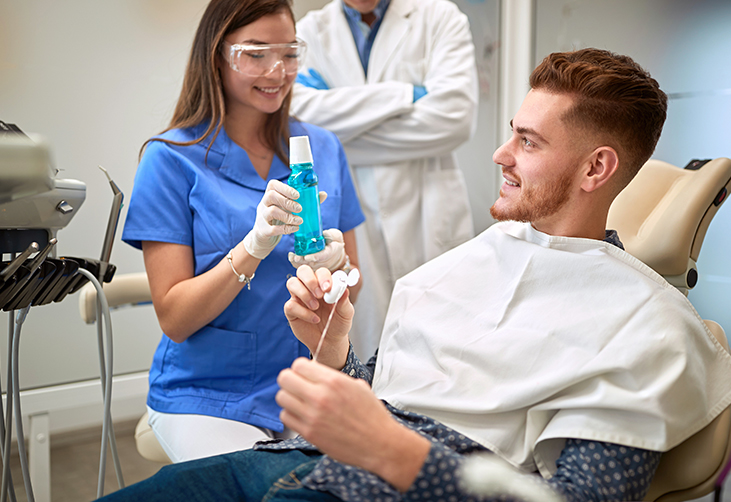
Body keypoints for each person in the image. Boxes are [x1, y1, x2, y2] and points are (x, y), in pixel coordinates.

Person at [99, 48, 731, 502]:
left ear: (596, 169)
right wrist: (334, 345)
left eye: (529, 143)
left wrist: (394, 454)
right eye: (512, 132)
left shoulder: (644, 328)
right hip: (286, 463)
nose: (500, 154)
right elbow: (381, 394)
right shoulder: (478, 260)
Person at [120, 0, 365, 463]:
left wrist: (339, 269)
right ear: (217, 55)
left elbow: (356, 283)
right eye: (255, 53)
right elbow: (175, 317)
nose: (277, 71)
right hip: (209, 395)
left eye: (289, 53)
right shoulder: (169, 159)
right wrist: (253, 246)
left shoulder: (323, 149)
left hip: (309, 384)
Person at [292, 0, 480, 359]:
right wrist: (408, 94)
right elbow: (303, 121)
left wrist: (341, 133)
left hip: (428, 218)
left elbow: (455, 120)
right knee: (364, 361)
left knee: (443, 359)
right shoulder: (308, 34)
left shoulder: (441, 18)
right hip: (357, 218)